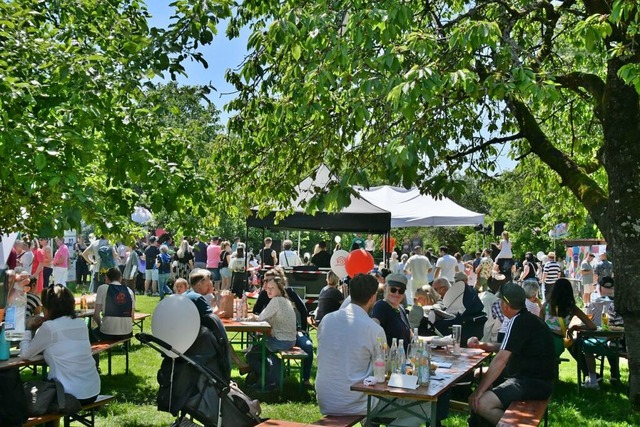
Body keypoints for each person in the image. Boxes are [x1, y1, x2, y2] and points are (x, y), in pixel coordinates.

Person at [467, 283, 557, 426]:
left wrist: (477, 392)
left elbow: (501, 359)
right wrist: (482, 345)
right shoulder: (525, 318)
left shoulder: (518, 321)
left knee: (481, 404)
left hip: (531, 383)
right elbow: (506, 347)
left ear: (505, 305)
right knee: (482, 377)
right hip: (537, 380)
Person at [316, 273, 386, 415]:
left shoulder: (327, 320)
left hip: (325, 399)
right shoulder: (374, 330)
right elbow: (385, 369)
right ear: (373, 298)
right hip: (357, 403)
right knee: (421, 407)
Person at [20, 284, 100, 404]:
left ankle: (49, 423)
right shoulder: (80, 323)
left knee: (26, 392)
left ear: (47, 308)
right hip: (92, 390)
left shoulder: (49, 327)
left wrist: (27, 329)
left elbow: (25, 355)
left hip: (68, 394)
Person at [252, 268, 314, 387]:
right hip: (276, 332)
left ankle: (305, 379)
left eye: (269, 280)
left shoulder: (288, 292)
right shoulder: (266, 293)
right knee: (260, 350)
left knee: (308, 346)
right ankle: (268, 375)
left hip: (294, 331)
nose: (265, 284)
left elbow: (303, 310)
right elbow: (256, 312)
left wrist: (303, 330)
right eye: (265, 281)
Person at [245, 275, 297, 389]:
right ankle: (266, 376)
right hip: (289, 340)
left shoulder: (276, 300)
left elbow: (261, 318)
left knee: (251, 355)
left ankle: (268, 381)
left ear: (280, 288)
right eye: (267, 288)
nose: (268, 290)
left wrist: (247, 318)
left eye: (272, 288)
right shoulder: (285, 300)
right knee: (256, 350)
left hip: (281, 340)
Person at [541, 278, 596, 376]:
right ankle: (590, 374)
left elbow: (539, 325)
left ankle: (587, 374)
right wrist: (575, 327)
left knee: (571, 344)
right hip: (558, 343)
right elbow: (592, 326)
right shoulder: (572, 308)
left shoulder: (545, 306)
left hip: (543, 342)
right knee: (573, 344)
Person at [581, 276, 623, 388]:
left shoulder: (594, 301)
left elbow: (587, 320)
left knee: (581, 344)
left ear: (599, 287)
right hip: (617, 342)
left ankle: (592, 376)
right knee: (612, 341)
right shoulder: (619, 303)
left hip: (598, 339)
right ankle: (615, 374)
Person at [92, 268, 135, 341]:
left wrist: (100, 325)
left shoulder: (102, 288)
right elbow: (132, 317)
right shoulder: (129, 291)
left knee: (91, 333)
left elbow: (96, 315)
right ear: (120, 278)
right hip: (127, 332)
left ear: (106, 278)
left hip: (108, 333)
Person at [371, 273, 411, 350]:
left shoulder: (401, 308)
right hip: (392, 360)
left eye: (401, 291)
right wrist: (389, 353)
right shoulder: (381, 306)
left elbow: (410, 335)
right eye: (393, 290)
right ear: (385, 288)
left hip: (405, 359)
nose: (396, 294)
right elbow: (373, 330)